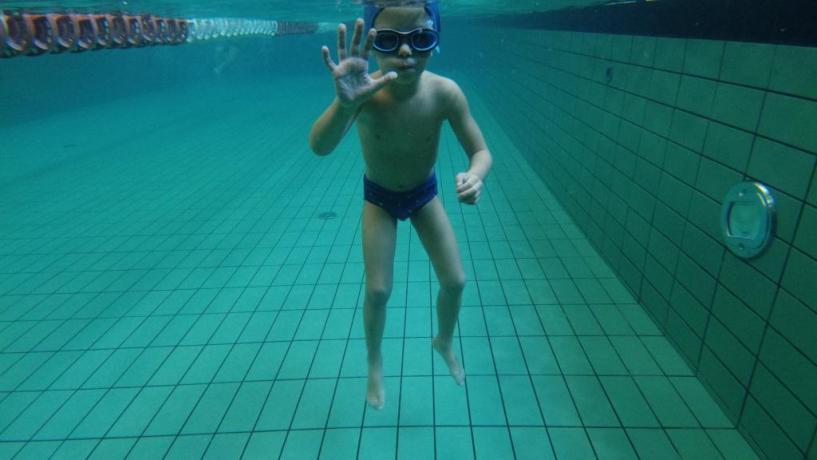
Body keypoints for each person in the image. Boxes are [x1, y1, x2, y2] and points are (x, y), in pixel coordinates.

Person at [308, 1, 492, 410]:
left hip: (424, 194)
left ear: (436, 42)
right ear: (373, 46)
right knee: (377, 290)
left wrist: (476, 175)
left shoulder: (445, 92)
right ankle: (374, 362)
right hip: (380, 197)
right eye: (390, 41)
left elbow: (481, 151)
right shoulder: (364, 94)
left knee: (456, 281)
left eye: (421, 39)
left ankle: (443, 340)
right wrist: (345, 103)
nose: (406, 52)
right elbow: (319, 146)